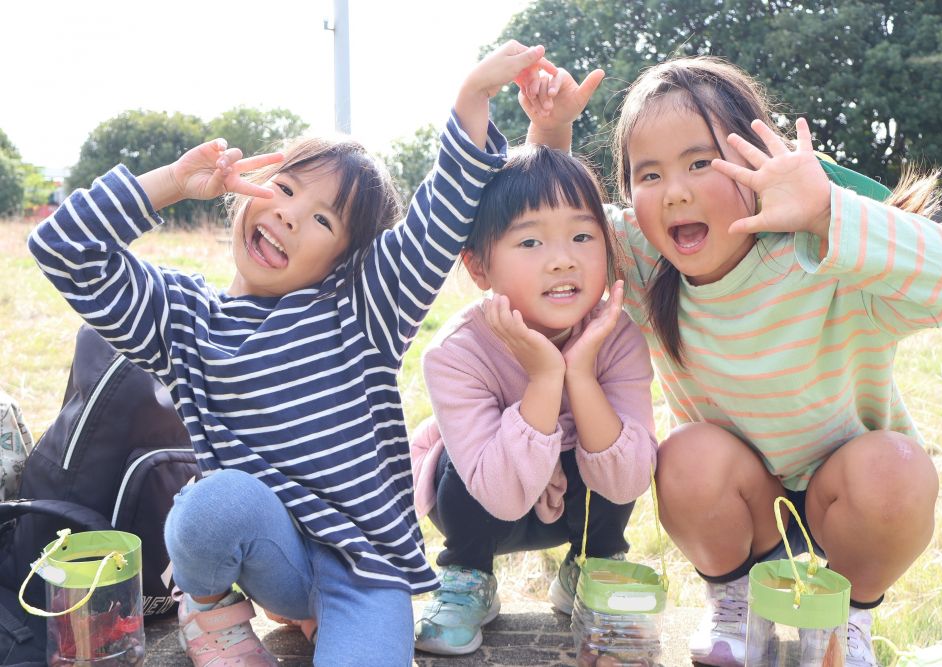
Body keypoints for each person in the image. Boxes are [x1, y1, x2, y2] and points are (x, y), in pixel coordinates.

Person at [26, 41, 556, 667]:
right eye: (282, 188)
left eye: (324, 220)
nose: (289, 217)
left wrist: (471, 98)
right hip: (269, 558)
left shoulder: (360, 308)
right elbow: (64, 247)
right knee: (213, 502)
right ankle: (213, 615)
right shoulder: (184, 318)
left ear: (344, 259)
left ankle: (323, 620)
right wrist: (171, 184)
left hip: (365, 569)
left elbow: (436, 220)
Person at [522, 56, 942, 667]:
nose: (678, 190)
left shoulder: (824, 255)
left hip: (846, 493)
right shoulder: (642, 258)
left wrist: (826, 212)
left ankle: (845, 621)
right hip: (741, 500)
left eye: (698, 163)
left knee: (896, 468)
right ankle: (736, 598)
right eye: (650, 174)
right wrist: (552, 134)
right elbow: (555, 235)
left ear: (756, 162)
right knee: (686, 453)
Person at [409, 144, 658, 655]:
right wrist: (546, 378)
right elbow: (497, 494)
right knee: (452, 462)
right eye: (530, 242)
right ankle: (468, 577)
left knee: (618, 442)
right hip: (487, 510)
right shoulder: (456, 354)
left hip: (577, 507)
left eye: (582, 236)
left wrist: (581, 374)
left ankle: (591, 566)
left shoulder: (617, 337)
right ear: (479, 268)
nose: (563, 260)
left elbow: (630, 478)